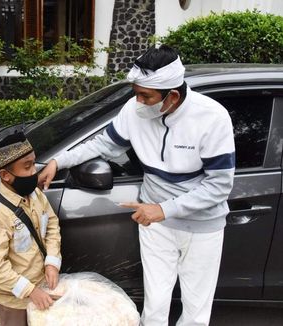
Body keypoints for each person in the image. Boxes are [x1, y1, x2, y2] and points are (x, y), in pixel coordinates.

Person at [39, 45, 235, 326]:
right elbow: (102, 144)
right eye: (136, 93)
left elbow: (219, 186)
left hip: (201, 227)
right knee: (154, 306)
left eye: (146, 96)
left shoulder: (212, 118)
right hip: (155, 225)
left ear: (173, 96)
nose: (138, 101)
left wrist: (164, 210)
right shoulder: (135, 110)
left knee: (195, 313)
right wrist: (59, 161)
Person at [0, 131, 62, 326]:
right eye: (27, 167)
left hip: (44, 287)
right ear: (5, 175)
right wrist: (30, 291)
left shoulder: (35, 195)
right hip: (15, 300)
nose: (34, 171)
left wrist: (51, 262)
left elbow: (51, 224)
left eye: (34, 163)